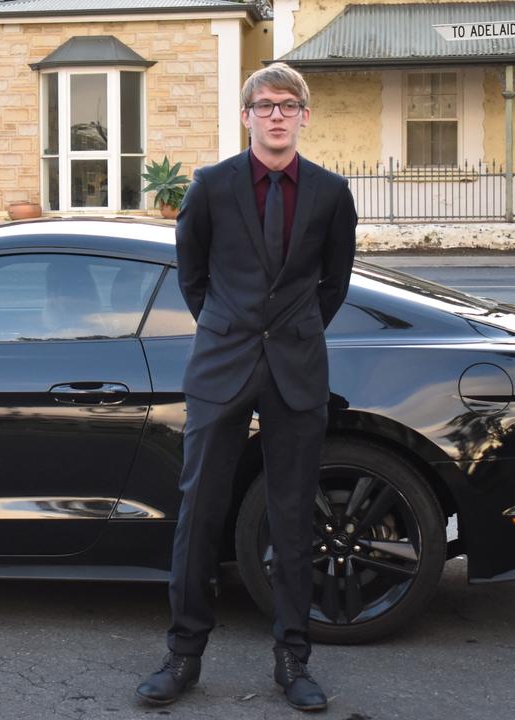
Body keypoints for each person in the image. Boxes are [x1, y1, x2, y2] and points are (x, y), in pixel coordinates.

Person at [135, 62, 357, 712]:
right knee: (199, 512)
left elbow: (334, 284)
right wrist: (230, 326)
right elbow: (192, 275)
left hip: (296, 368)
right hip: (221, 364)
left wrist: (294, 331)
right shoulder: (209, 187)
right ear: (246, 116)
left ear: (305, 116)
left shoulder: (330, 193)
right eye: (265, 105)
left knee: (291, 517)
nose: (277, 115)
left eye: (289, 105)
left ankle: (294, 662)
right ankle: (182, 657)